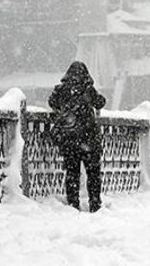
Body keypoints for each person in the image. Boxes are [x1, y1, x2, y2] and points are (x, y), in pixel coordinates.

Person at [49, 61, 106, 212]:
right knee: (93, 174)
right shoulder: (88, 90)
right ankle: (95, 203)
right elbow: (100, 103)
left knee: (72, 174)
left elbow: (52, 102)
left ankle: (73, 204)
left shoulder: (61, 90)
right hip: (89, 139)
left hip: (70, 140)